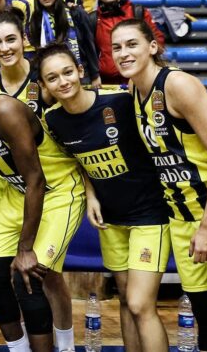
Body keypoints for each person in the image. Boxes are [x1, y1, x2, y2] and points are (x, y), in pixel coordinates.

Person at [37, 42, 171, 352]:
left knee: (140, 303)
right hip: (110, 220)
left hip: (149, 215)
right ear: (43, 85)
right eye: (53, 78)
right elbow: (75, 161)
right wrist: (91, 194)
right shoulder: (53, 121)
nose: (63, 82)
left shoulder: (120, 102)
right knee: (125, 299)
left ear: (80, 71)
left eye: (68, 72)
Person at [0, 11, 86, 352]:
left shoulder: (44, 78)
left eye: (11, 39)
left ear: (24, 39)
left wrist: (91, 189)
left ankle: (65, 346)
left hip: (52, 183)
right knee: (0, 273)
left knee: (46, 275)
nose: (5, 47)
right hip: (9, 188)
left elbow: (79, 130)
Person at [112, 19, 207, 350]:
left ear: (152, 47)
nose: (123, 53)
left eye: (131, 44)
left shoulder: (177, 85)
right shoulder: (133, 92)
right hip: (181, 218)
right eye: (116, 47)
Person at [27, 0, 100, 87]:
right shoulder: (35, 19)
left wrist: (95, 75)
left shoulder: (75, 12)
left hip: (81, 72)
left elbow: (89, 45)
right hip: (52, 75)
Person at [92, 0, 164, 85]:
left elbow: (157, 39)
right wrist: (94, 75)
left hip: (140, 78)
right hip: (107, 82)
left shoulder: (137, 12)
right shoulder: (92, 19)